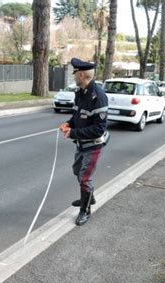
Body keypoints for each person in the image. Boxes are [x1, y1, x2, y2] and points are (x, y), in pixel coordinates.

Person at [59, 58, 109, 226]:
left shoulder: (98, 96)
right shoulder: (80, 93)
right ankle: (89, 197)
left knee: (85, 177)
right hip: (81, 144)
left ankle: (85, 211)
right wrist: (69, 123)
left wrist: (73, 132)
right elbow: (76, 115)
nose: (73, 76)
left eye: (75, 73)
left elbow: (99, 129)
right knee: (77, 171)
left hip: (93, 146)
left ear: (81, 74)